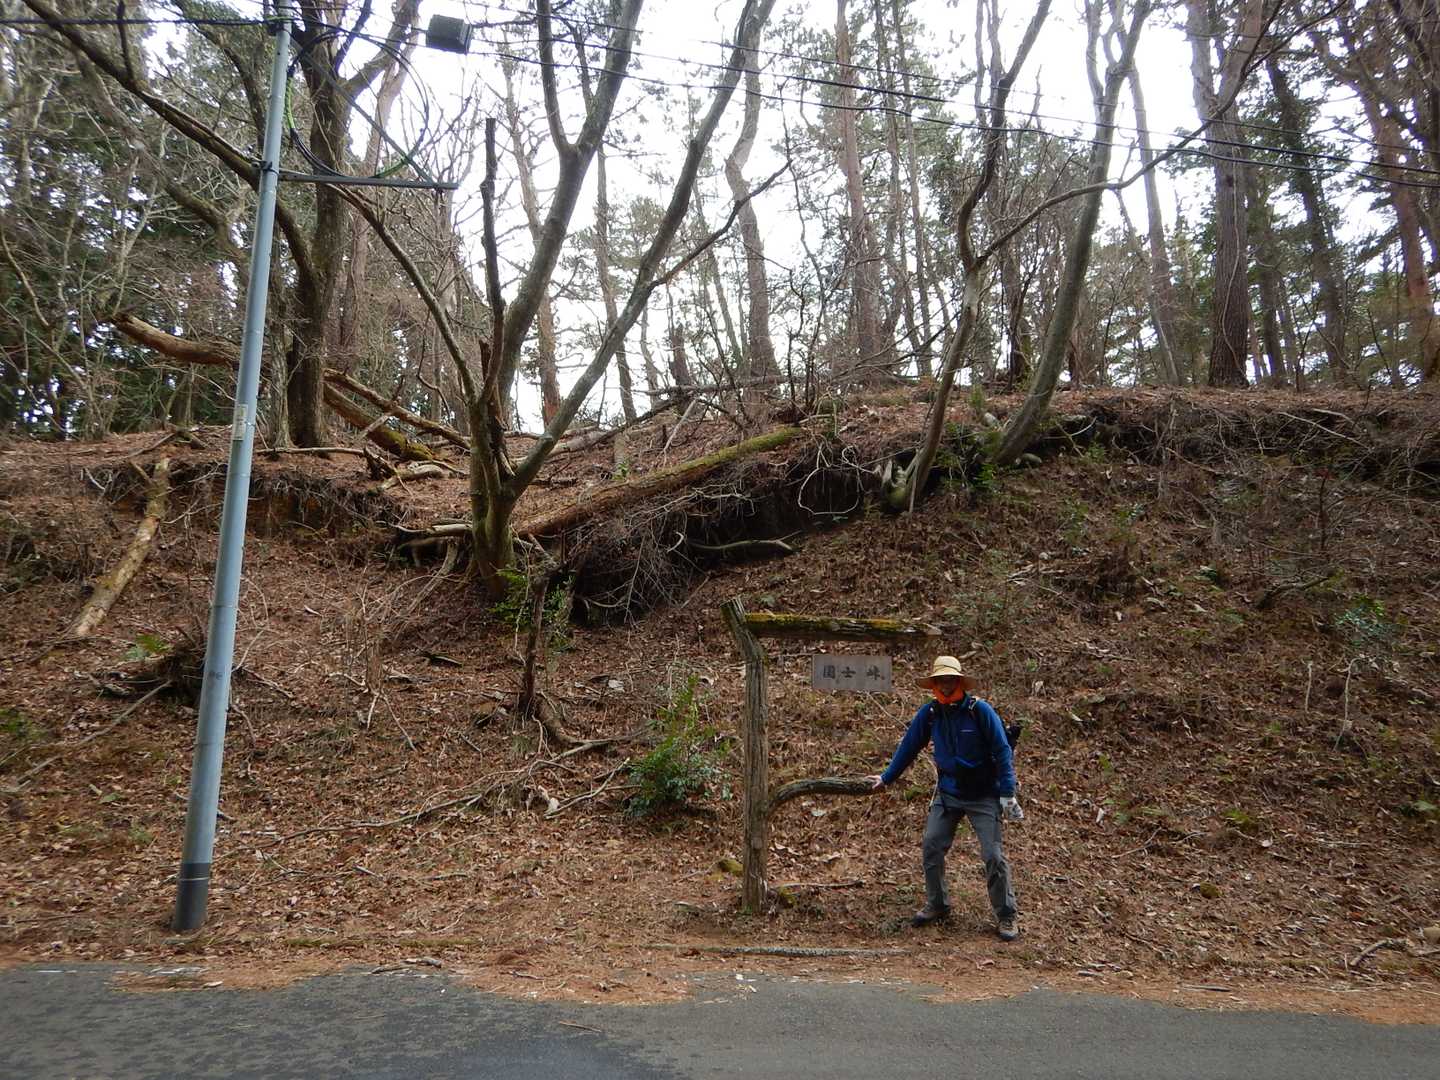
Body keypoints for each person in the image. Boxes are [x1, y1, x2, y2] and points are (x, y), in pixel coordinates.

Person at [866, 655, 1023, 941]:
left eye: (950, 679)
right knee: (932, 845)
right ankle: (937, 904)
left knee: (993, 855)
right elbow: (909, 746)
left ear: (959, 681)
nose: (945, 684)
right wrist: (887, 778)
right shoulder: (930, 713)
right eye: (940, 680)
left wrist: (1007, 793)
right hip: (948, 792)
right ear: (934, 683)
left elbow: (1002, 751)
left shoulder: (980, 711)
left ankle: (1006, 915)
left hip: (983, 794)